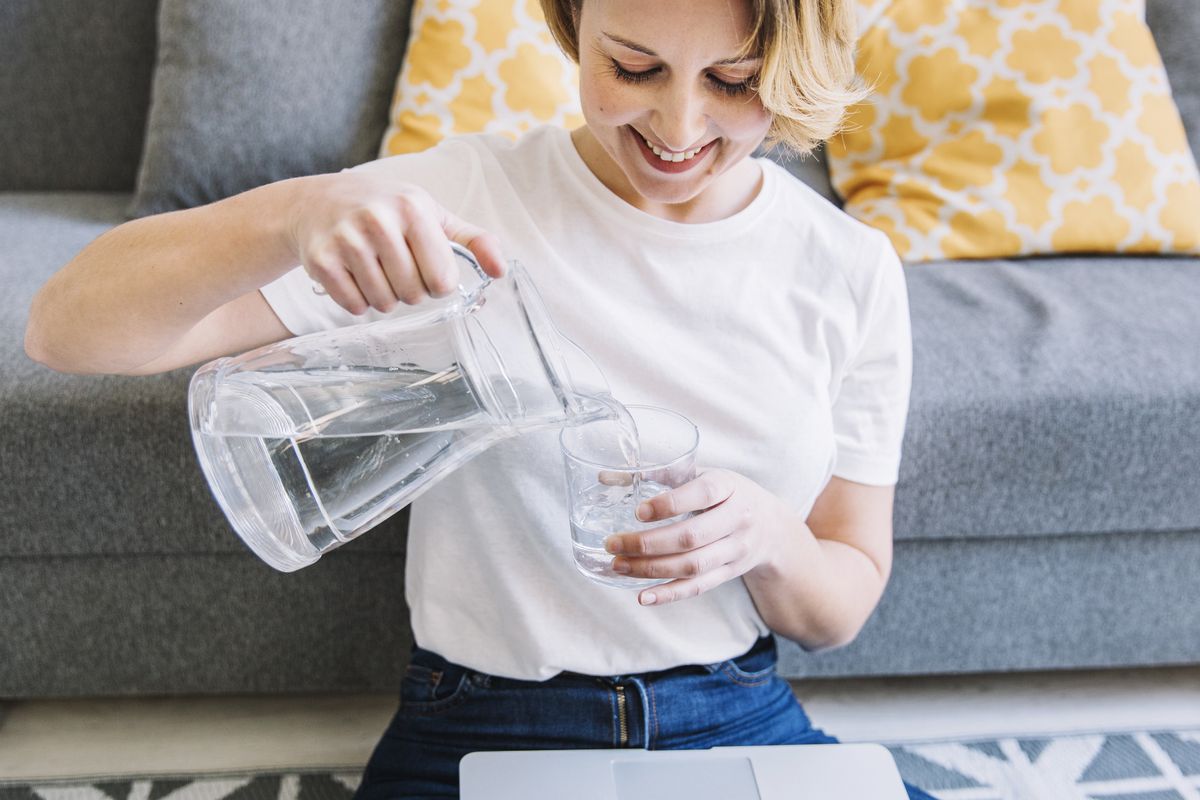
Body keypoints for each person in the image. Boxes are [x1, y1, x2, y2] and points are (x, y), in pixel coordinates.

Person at [25, 0, 937, 797]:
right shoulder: (460, 206)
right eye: (634, 67)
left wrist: (773, 538)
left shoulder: (847, 271)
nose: (679, 123)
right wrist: (296, 214)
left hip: (731, 712)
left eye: (735, 82)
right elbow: (64, 330)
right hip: (481, 719)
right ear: (574, 22)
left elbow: (841, 606)